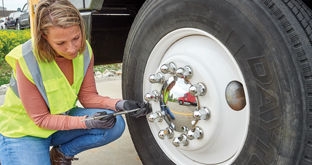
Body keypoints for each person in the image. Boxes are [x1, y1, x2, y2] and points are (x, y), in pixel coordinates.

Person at [0, 0, 150, 165]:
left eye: (76, 38)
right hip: (24, 132)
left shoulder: (84, 51)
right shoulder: (27, 59)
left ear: (81, 27)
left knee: (114, 124)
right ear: (45, 37)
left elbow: (88, 97)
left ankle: (61, 154)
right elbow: (41, 119)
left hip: (58, 125)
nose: (72, 48)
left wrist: (121, 104)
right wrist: (85, 122)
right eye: (61, 43)